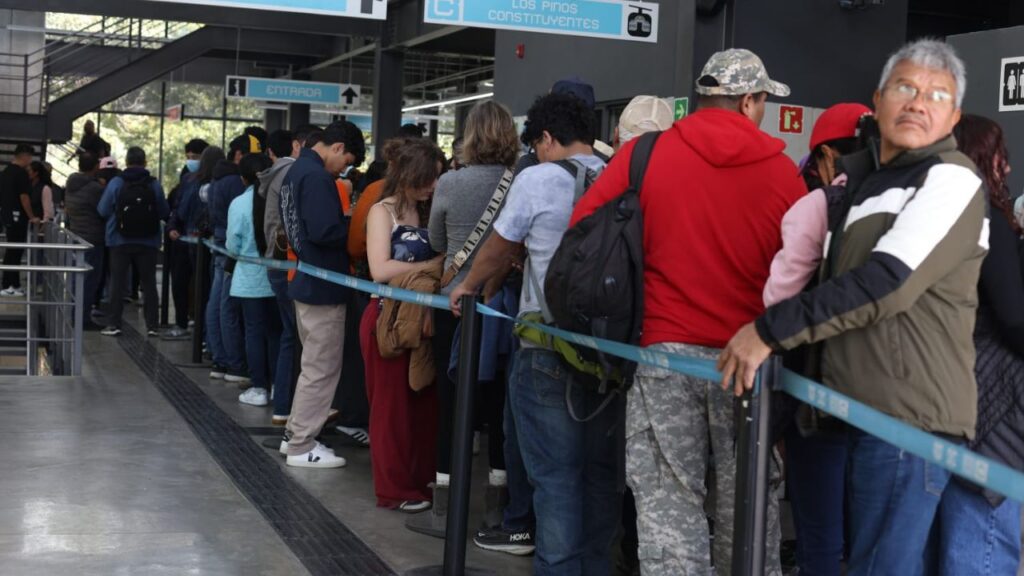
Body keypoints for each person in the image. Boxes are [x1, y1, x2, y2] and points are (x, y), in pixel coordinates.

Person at [718, 39, 987, 576]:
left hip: (909, 420)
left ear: (953, 116)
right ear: (879, 99)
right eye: (906, 88)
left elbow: (887, 282)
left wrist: (769, 331)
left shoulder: (951, 178)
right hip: (859, 415)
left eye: (937, 94)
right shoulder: (868, 186)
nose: (918, 102)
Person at [572, 48, 802, 575]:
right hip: (748, 359)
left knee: (668, 504)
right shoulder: (783, 172)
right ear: (748, 101)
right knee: (747, 504)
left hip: (664, 355)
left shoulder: (644, 155)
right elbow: (798, 269)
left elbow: (583, 230)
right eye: (763, 100)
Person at [448, 92, 616, 575]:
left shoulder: (538, 177)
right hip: (610, 349)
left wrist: (468, 286)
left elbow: (499, 249)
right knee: (600, 474)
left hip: (545, 347)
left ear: (546, 138)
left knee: (555, 476)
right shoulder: (619, 174)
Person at [760, 102, 872, 576]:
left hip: (820, 386)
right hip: (890, 389)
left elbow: (777, 301)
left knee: (820, 530)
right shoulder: (905, 202)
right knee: (874, 528)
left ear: (827, 156)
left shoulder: (817, 206)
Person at [407, 100, 521, 533]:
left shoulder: (451, 182)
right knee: (497, 407)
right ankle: (497, 504)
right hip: (501, 304)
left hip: (455, 299)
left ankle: (443, 508)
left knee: (451, 403)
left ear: (469, 136)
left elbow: (436, 238)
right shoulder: (518, 181)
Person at [927, 114, 1024, 576]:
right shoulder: (986, 217)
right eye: (1000, 155)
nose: (1006, 167)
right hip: (987, 398)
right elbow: (1012, 315)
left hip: (933, 390)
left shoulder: (925, 211)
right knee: (984, 530)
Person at [362, 137, 444, 511]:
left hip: (425, 320)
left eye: (437, 178)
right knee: (391, 407)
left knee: (424, 404)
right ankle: (394, 489)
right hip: (388, 319)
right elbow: (380, 269)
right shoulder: (383, 211)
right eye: (428, 179)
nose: (433, 186)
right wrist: (428, 267)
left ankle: (420, 480)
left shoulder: (433, 211)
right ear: (409, 175)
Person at [278, 120, 365, 468]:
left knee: (311, 366)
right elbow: (324, 230)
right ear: (338, 148)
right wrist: (354, 223)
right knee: (321, 368)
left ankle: (294, 436)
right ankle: (302, 445)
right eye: (347, 162)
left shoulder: (297, 171)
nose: (345, 168)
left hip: (306, 279)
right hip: (323, 286)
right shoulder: (317, 178)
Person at [97, 147, 170, 337]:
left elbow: (103, 209)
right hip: (148, 241)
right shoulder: (154, 184)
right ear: (145, 162)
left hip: (119, 240)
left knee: (117, 283)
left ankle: (114, 324)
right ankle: (152, 326)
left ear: (126, 162)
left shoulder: (116, 183)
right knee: (149, 284)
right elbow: (164, 211)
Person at [228, 153, 281, 408]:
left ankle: (258, 387)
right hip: (277, 279)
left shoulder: (238, 203)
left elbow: (232, 246)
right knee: (276, 334)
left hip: (249, 281)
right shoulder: (278, 199)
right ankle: (277, 386)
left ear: (243, 178)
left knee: (253, 333)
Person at [257, 128, 303, 426]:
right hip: (288, 261)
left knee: (289, 334)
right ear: (297, 146)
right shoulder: (293, 173)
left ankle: (283, 402)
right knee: (295, 336)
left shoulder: (272, 174)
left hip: (273, 259)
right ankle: (288, 406)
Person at [206, 133, 259, 383]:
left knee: (217, 303)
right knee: (227, 306)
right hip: (231, 251)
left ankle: (220, 357)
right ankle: (234, 363)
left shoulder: (216, 179)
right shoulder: (236, 184)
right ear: (239, 156)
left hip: (219, 245)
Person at [164, 138, 209, 340]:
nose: (191, 161)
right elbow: (177, 207)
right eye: (188, 157)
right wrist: (173, 227)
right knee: (180, 282)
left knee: (200, 285)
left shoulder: (210, 182)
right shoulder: (187, 180)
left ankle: (199, 325)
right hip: (183, 240)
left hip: (198, 241)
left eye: (195, 157)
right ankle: (182, 322)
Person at [64, 153, 107, 330]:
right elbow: (104, 210)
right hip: (93, 238)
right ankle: (83, 319)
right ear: (95, 167)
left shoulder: (71, 184)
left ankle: (74, 314)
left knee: (77, 278)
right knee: (90, 280)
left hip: (76, 235)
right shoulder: (94, 188)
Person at [0, 144, 36, 297]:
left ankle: (13, 284)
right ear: (25, 155)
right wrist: (31, 216)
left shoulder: (5, 172)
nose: (30, 160)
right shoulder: (20, 174)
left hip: (7, 214)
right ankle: (8, 284)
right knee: (15, 251)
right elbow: (24, 197)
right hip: (18, 216)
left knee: (12, 250)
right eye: (30, 156)